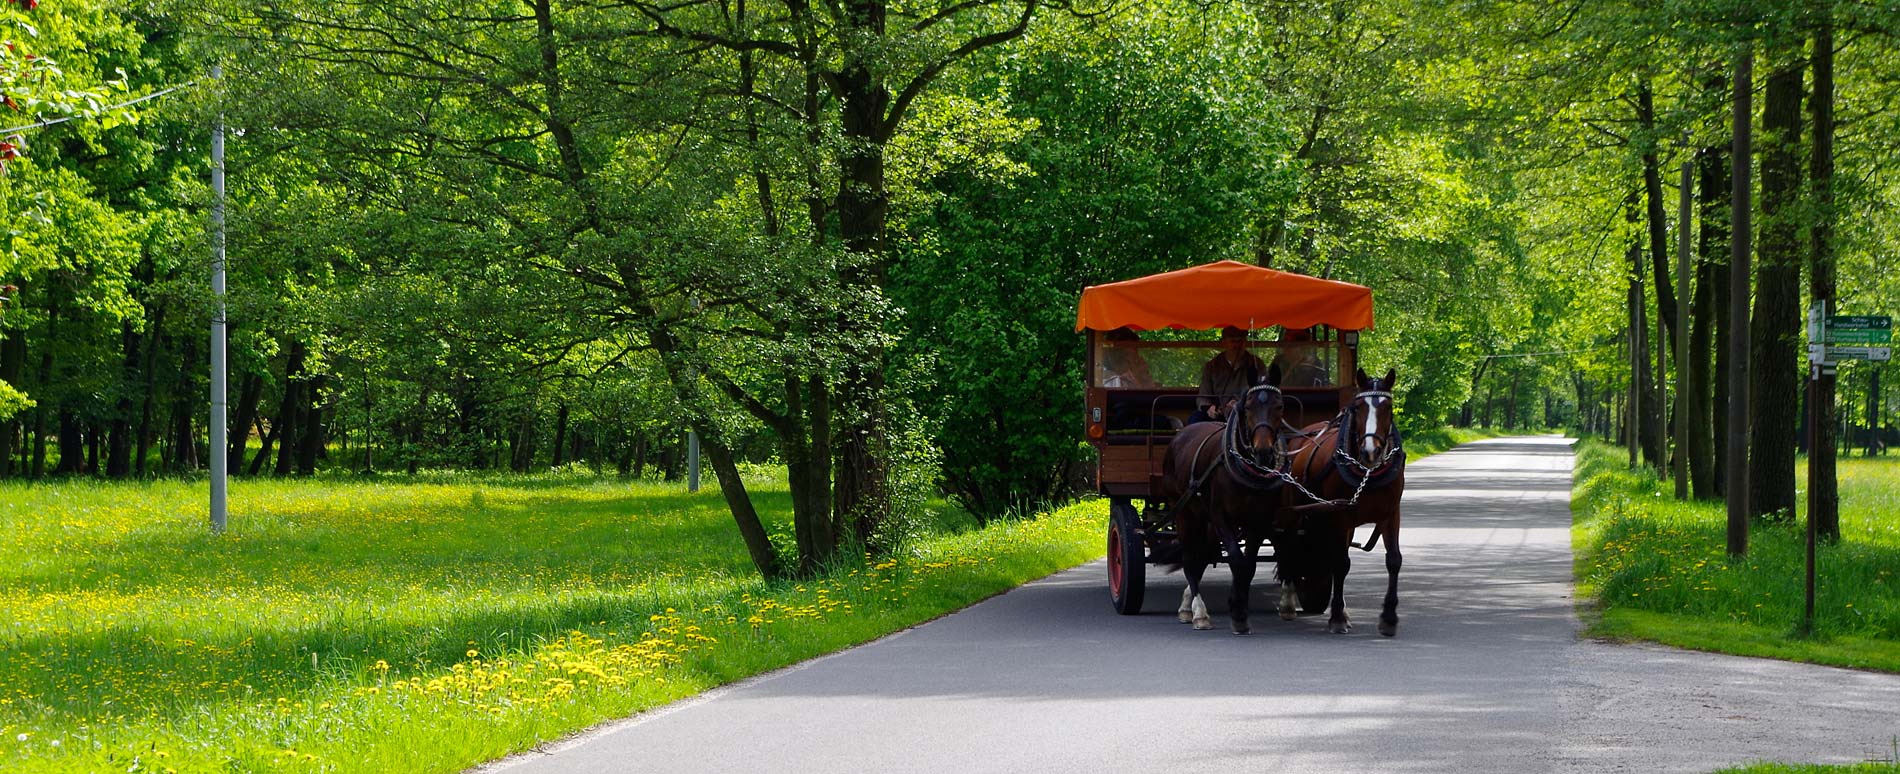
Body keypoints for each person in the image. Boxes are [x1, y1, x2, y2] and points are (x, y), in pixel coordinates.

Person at [1191, 326, 1265, 423]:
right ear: (1224, 343)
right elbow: (1203, 395)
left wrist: (1240, 402)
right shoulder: (1212, 365)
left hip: (1246, 412)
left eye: (1240, 341)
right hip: (1218, 413)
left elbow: (1262, 392)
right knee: (1195, 420)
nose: (1237, 345)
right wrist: (1209, 408)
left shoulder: (1256, 364)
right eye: (1232, 341)